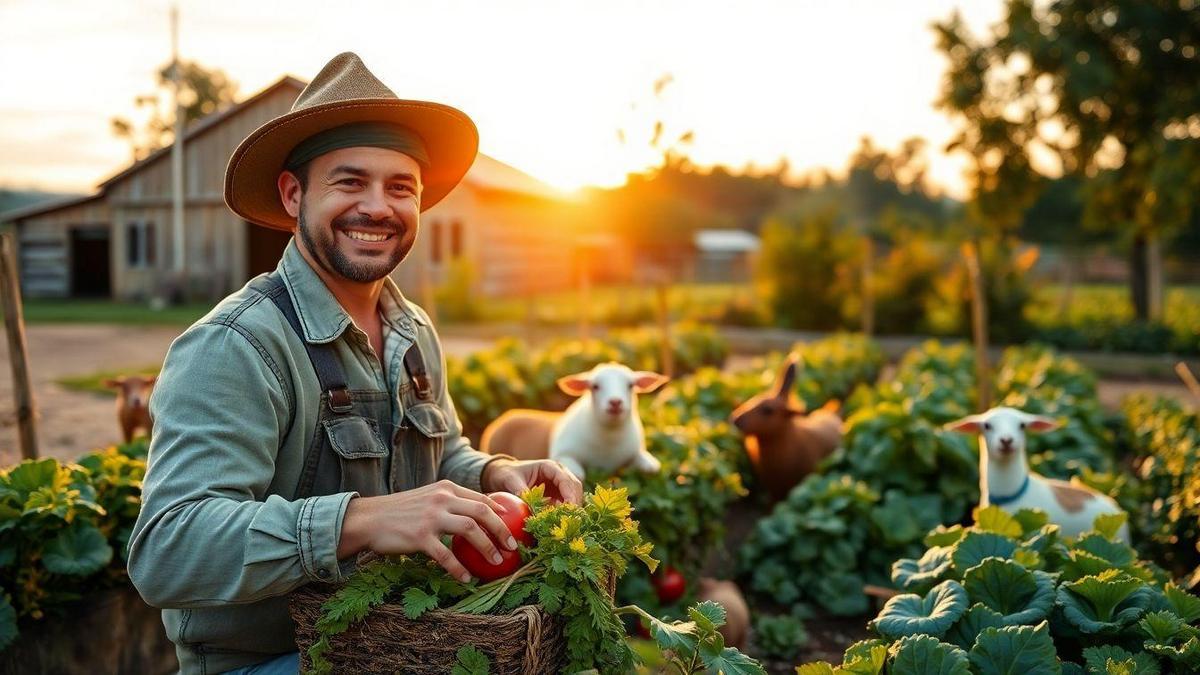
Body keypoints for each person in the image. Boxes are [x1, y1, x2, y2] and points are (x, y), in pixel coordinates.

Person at [127, 52, 583, 675]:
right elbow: (168, 550)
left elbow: (441, 454)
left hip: (397, 647)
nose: (377, 207)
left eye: (401, 187)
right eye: (349, 182)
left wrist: (496, 475)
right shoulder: (236, 346)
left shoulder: (412, 329)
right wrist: (359, 520)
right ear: (293, 194)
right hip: (271, 662)